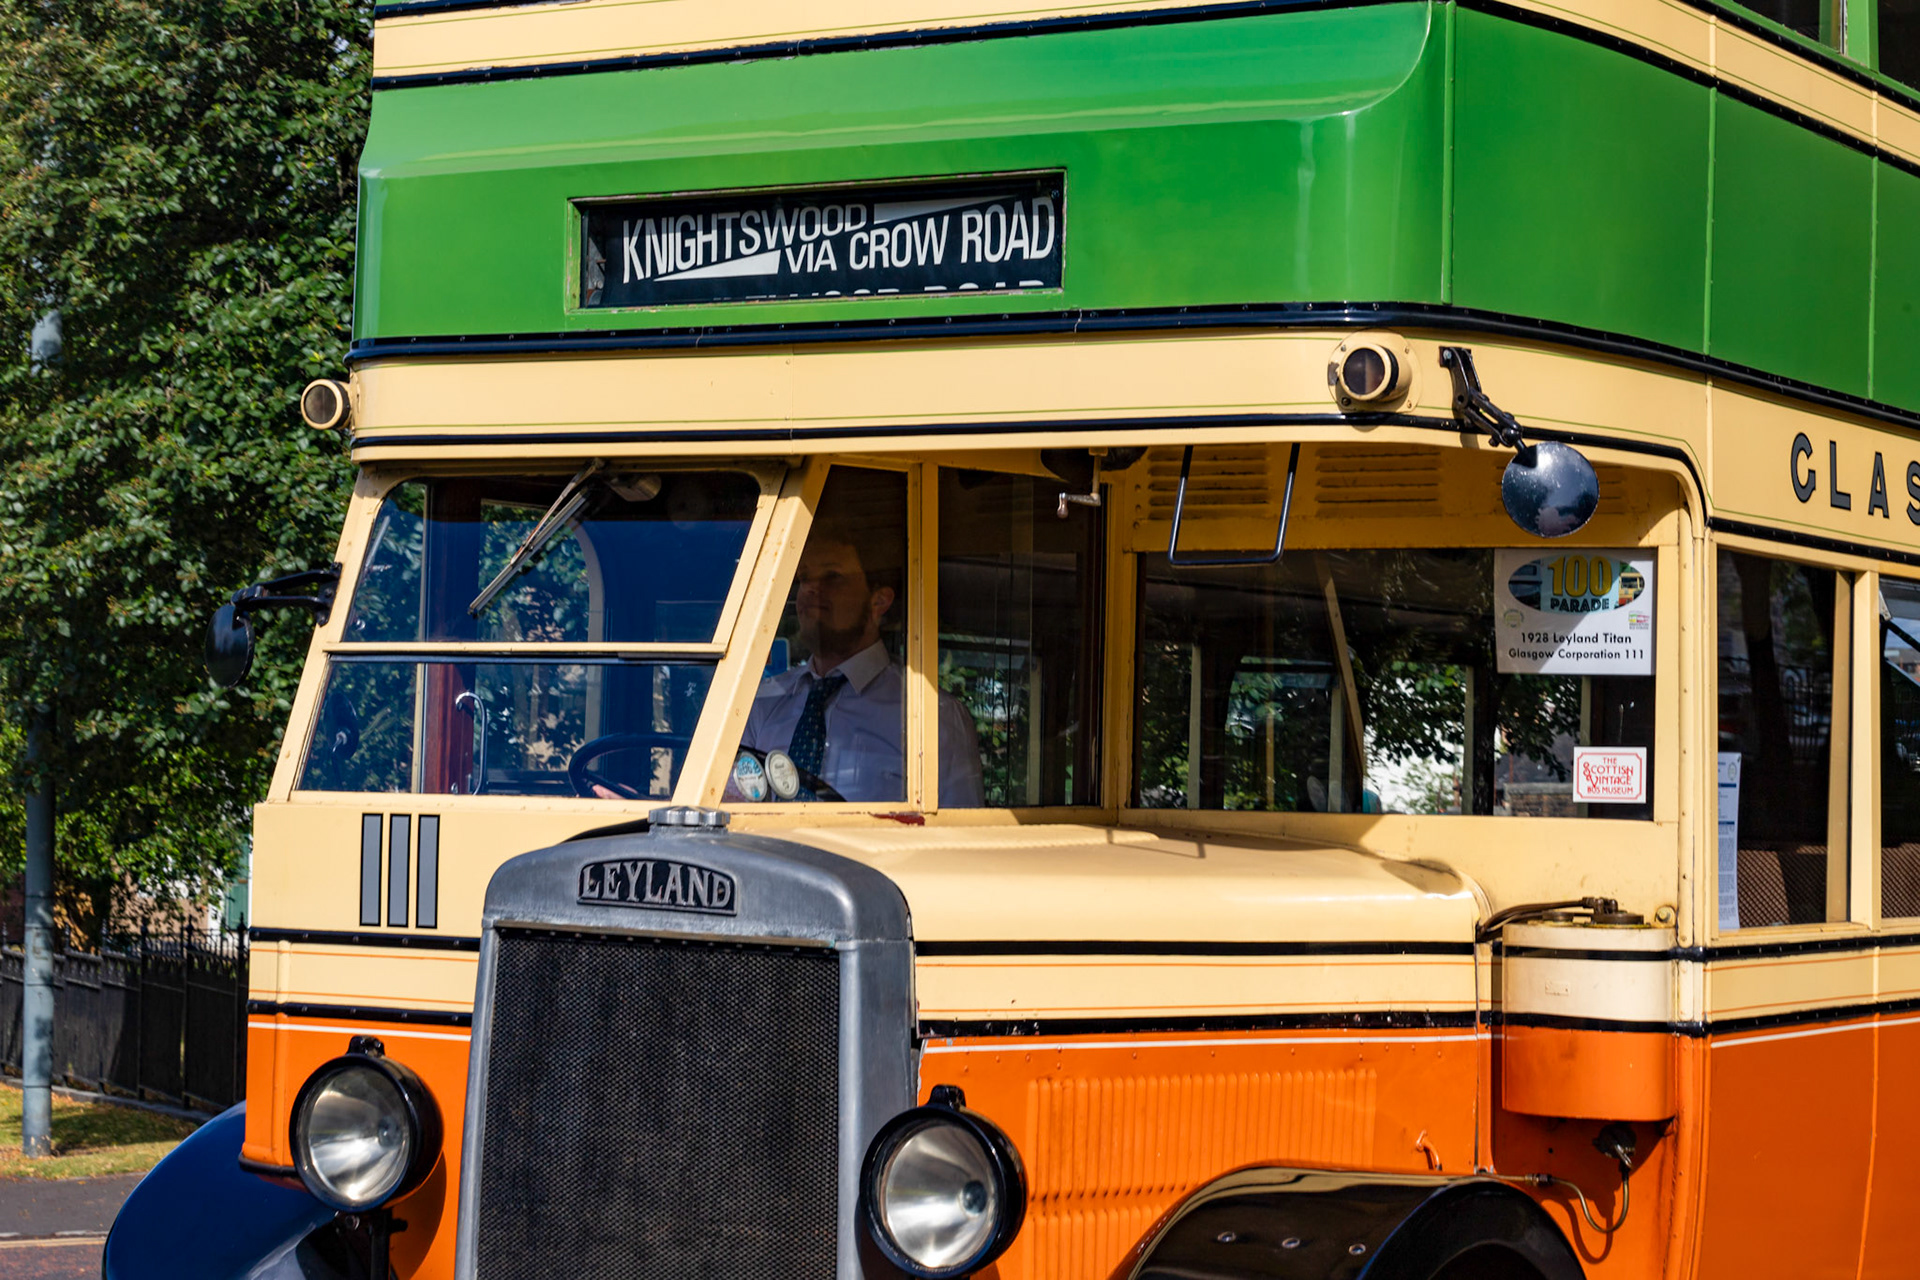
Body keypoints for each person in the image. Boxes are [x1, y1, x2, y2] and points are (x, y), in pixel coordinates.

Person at [739, 520, 984, 806]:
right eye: (804, 577)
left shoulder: (933, 717)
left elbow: (955, 836)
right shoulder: (761, 703)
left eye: (832, 576)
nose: (810, 589)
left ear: (879, 601)